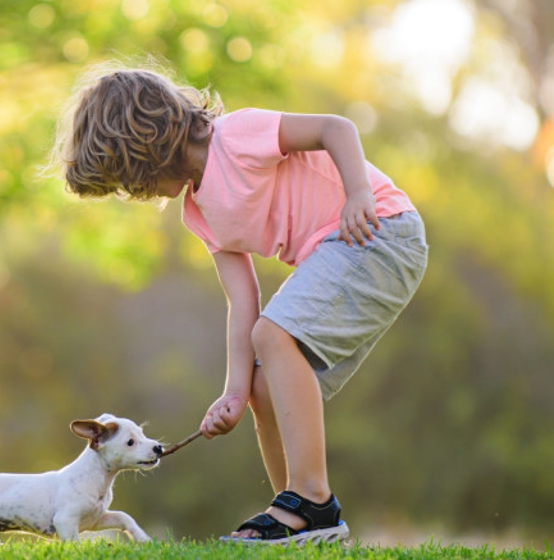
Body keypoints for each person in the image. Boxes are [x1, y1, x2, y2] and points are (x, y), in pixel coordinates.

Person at [50, 64, 428, 544]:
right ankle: (297, 518)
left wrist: (358, 194)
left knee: (272, 336)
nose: (133, 192)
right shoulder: (198, 212)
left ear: (144, 147)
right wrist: (233, 392)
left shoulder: (238, 136)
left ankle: (312, 500)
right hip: (343, 249)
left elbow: (338, 128)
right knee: (261, 380)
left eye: (128, 177)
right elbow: (242, 299)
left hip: (379, 229)